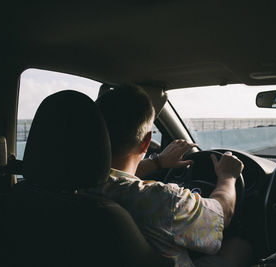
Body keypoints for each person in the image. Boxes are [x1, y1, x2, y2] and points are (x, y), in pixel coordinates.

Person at [87, 85, 251, 267]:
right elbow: (222, 216)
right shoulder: (161, 200)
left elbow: (115, 179)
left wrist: (158, 162)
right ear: (146, 142)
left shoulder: (73, 183)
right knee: (239, 246)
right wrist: (227, 177)